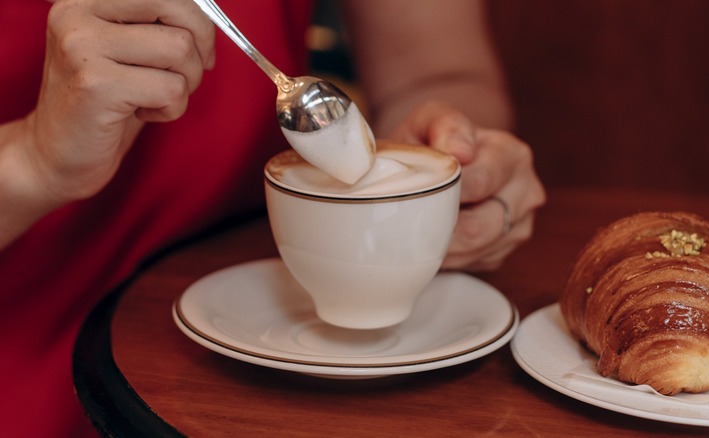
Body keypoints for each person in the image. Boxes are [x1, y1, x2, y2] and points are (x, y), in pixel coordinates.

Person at [0, 0, 545, 436]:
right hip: (28, 353)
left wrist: (460, 159)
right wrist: (32, 160)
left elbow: (437, 73)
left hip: (257, 349)